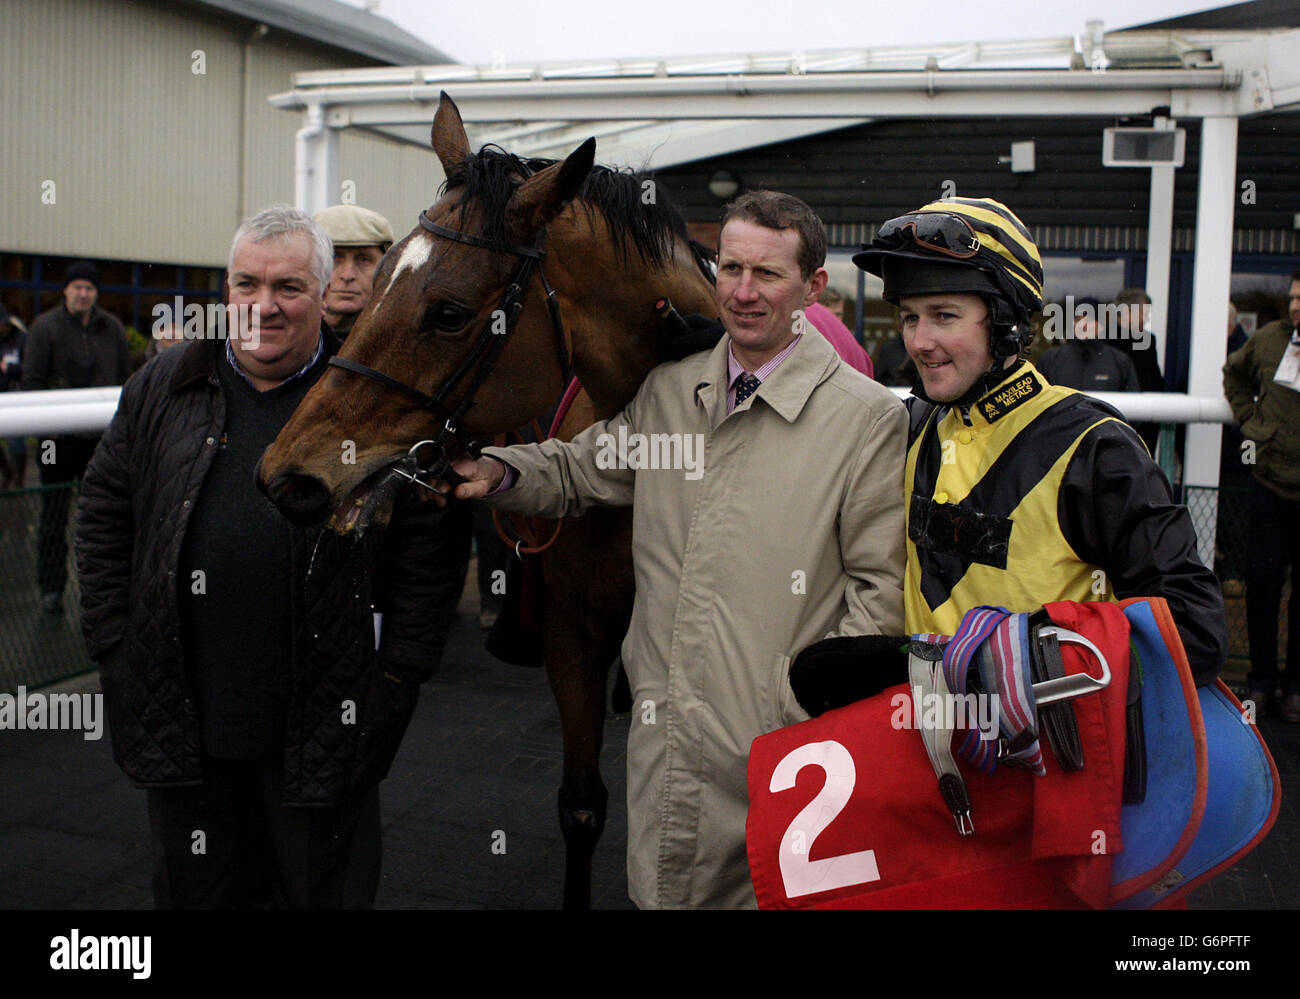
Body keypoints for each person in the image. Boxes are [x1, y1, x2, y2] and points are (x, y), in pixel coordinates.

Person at [443, 190, 908, 909]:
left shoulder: (867, 417)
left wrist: (809, 718)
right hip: (665, 742)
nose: (743, 293)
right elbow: (579, 468)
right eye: (730, 269)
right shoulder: (670, 391)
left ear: (814, 289)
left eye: (768, 275)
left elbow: (878, 598)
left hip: (783, 757)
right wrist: (499, 473)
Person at [75, 205, 469, 908]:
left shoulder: (377, 406)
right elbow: (103, 515)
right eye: (246, 284)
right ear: (225, 290)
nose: (265, 306)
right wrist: (115, 645)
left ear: (325, 296)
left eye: (288, 287)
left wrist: (399, 673)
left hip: (325, 729)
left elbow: (427, 552)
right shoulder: (162, 387)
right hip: (183, 724)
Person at [851, 197, 1225, 686]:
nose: (919, 341)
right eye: (909, 317)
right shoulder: (913, 424)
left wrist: (1016, 662)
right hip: (928, 747)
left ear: (1007, 321)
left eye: (943, 316)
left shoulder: (1094, 446)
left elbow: (1196, 630)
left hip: (1049, 752)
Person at [23, 261, 129, 613]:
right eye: (77, 287)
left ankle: (99, 589)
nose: (83, 294)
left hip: (98, 443)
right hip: (57, 441)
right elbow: (32, 382)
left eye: (89, 288)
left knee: (100, 521)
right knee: (53, 516)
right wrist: (47, 432)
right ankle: (51, 587)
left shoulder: (111, 329)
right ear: (65, 290)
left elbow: (124, 380)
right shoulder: (44, 328)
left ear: (96, 293)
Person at [1223, 270, 1300, 722]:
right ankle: (1263, 682)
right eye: (1292, 297)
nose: (1295, 306)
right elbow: (1234, 376)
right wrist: (1252, 423)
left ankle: (1296, 688)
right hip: (1268, 487)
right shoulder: (1271, 339)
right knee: (1262, 589)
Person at [312, 204, 394, 338]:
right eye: (334, 258)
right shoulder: (278, 335)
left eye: (363, 260)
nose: (347, 275)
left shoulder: (399, 342)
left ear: (386, 270)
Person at [1037, 296, 1140, 394]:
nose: (1083, 324)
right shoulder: (1051, 359)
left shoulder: (1119, 361)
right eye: (1078, 319)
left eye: (1089, 320)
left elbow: (1133, 404)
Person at [0, 304, 28, 490]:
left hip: (16, 394)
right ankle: (8, 473)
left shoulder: (22, 339)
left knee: (16, 438)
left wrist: (9, 369)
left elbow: (32, 368)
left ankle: (18, 478)